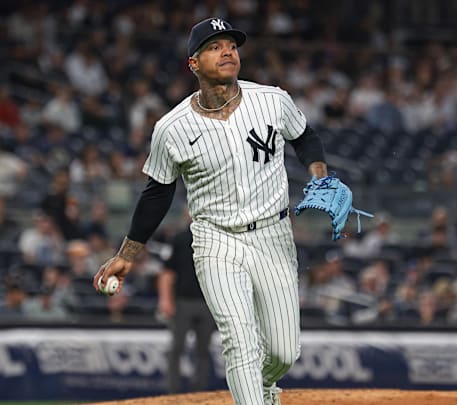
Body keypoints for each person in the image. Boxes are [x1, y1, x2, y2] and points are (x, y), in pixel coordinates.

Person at [95, 17, 330, 405]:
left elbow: (305, 137)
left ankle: (266, 388)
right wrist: (126, 256)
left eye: (232, 46)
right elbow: (157, 194)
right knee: (239, 340)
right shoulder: (171, 127)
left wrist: (318, 174)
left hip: (274, 236)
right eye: (214, 46)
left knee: (283, 352)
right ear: (193, 63)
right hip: (215, 240)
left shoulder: (272, 100)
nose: (227, 51)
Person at [157, 223, 216, 393]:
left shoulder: (216, 238)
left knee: (203, 349)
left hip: (208, 302)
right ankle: (173, 392)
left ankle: (199, 392)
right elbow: (167, 272)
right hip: (182, 301)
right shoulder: (179, 238)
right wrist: (165, 300)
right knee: (177, 348)